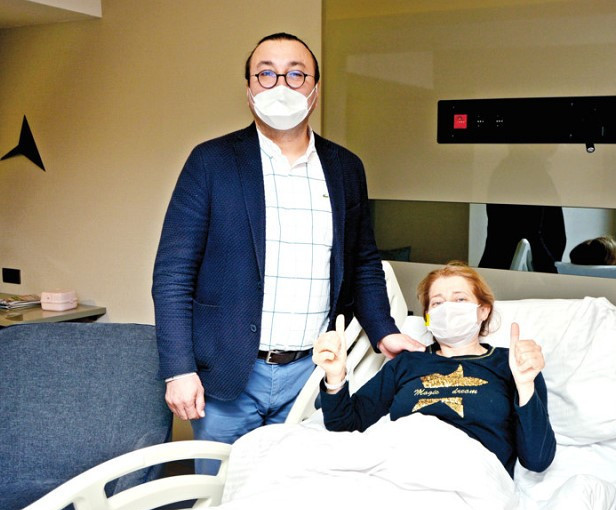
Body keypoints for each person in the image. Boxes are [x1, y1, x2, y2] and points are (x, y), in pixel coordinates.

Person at [151, 32, 421, 472]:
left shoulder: (345, 168)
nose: (281, 85)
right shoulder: (211, 162)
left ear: (315, 90)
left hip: (310, 375)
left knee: (295, 490)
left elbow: (363, 263)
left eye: (296, 75)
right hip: (227, 374)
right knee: (222, 491)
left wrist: (384, 330)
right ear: (249, 89)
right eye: (266, 74)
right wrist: (179, 369)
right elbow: (173, 274)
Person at [312, 262, 556, 477]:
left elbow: (537, 460)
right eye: (437, 303)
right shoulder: (408, 363)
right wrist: (335, 375)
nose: (448, 308)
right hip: (399, 469)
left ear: (483, 310)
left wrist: (525, 386)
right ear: (428, 317)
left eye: (460, 299)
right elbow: (345, 423)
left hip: (472, 477)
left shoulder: (513, 363)